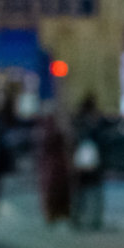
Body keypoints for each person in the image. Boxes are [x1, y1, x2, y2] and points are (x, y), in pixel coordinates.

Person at [71, 94, 105, 230]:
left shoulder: (78, 121)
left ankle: (78, 218)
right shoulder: (93, 122)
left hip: (81, 161)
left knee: (81, 191)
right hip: (92, 161)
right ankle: (94, 219)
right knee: (93, 191)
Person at [36, 107, 72, 224]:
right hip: (54, 167)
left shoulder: (49, 131)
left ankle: (57, 213)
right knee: (53, 191)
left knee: (56, 191)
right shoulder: (50, 131)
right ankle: (56, 213)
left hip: (55, 167)